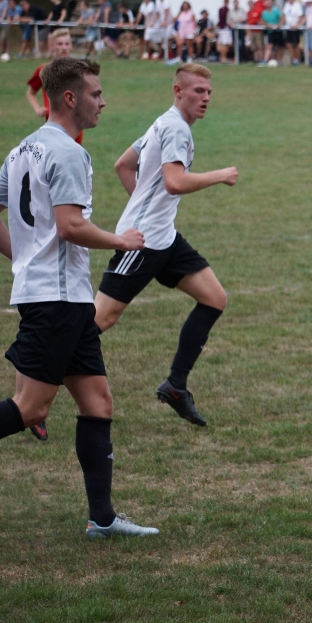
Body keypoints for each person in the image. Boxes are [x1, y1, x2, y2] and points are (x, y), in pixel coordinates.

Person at [0, 57, 158, 540]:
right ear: (69, 97)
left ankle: (103, 519)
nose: (102, 101)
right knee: (31, 408)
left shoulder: (22, 149)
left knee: (97, 402)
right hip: (57, 301)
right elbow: (71, 226)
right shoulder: (69, 152)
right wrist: (123, 240)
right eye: (95, 93)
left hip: (62, 298)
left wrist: (26, 260)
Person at [94, 64, 237, 427]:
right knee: (99, 320)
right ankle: (36, 384)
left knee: (214, 298)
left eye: (208, 92)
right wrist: (219, 175)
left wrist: (146, 204)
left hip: (164, 238)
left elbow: (124, 165)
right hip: (140, 242)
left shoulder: (165, 122)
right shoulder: (175, 127)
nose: (205, 98)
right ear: (177, 90)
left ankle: (175, 385)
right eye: (197, 91)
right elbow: (173, 182)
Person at [27, 29, 82, 146]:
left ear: (71, 46)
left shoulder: (79, 70)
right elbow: (30, 93)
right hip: (53, 124)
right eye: (60, 44)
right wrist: (38, 109)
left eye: (67, 44)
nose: (64, 47)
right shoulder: (44, 70)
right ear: (52, 46)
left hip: (74, 122)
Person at [284, 0, 304, 64]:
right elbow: (284, 15)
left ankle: (297, 59)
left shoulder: (297, 5)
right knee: (288, 44)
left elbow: (300, 16)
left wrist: (296, 25)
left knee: (296, 44)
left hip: (296, 28)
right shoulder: (287, 4)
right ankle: (294, 59)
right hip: (288, 27)